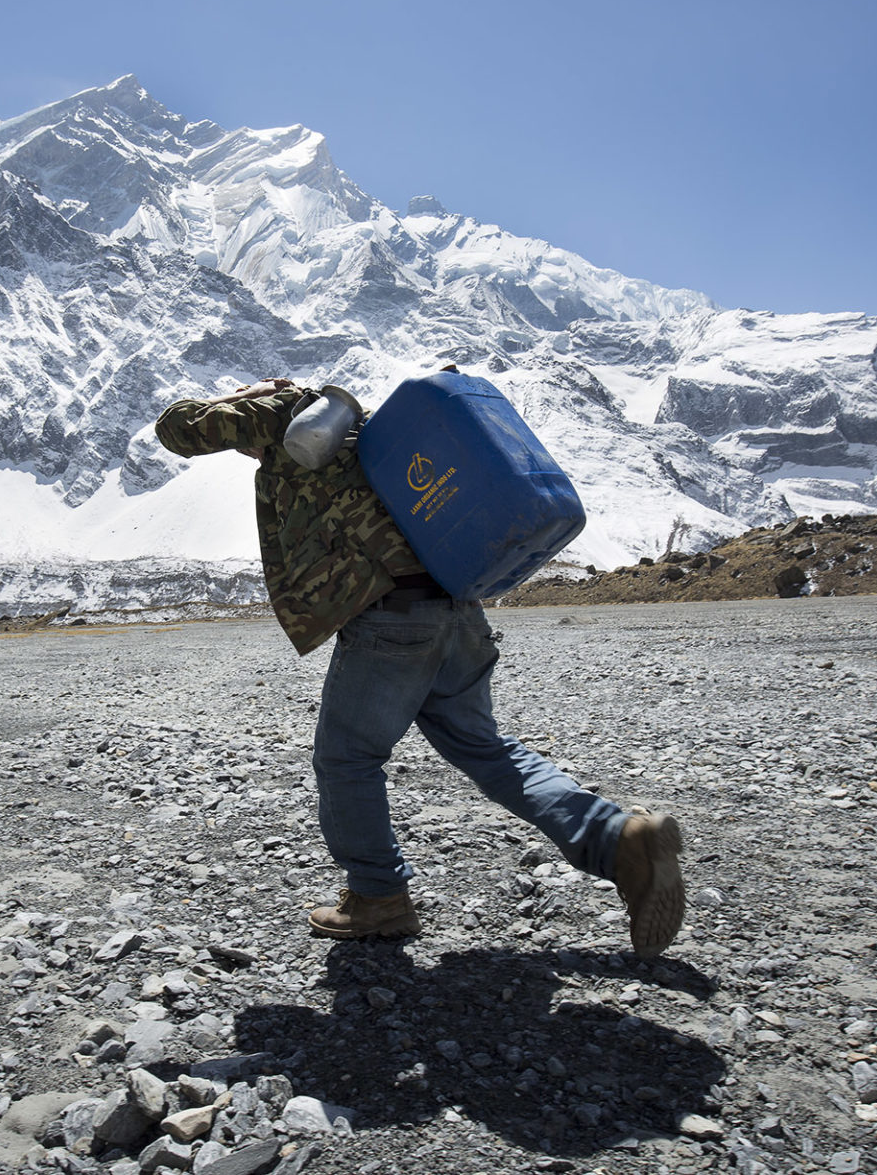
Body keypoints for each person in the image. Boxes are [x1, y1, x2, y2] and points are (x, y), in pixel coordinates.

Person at [155, 376, 686, 957]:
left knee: (347, 759)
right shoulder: (371, 435)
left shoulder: (288, 411)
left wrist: (244, 397)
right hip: (455, 609)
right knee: (485, 746)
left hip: (391, 619)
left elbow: (177, 429)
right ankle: (617, 840)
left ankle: (378, 897)